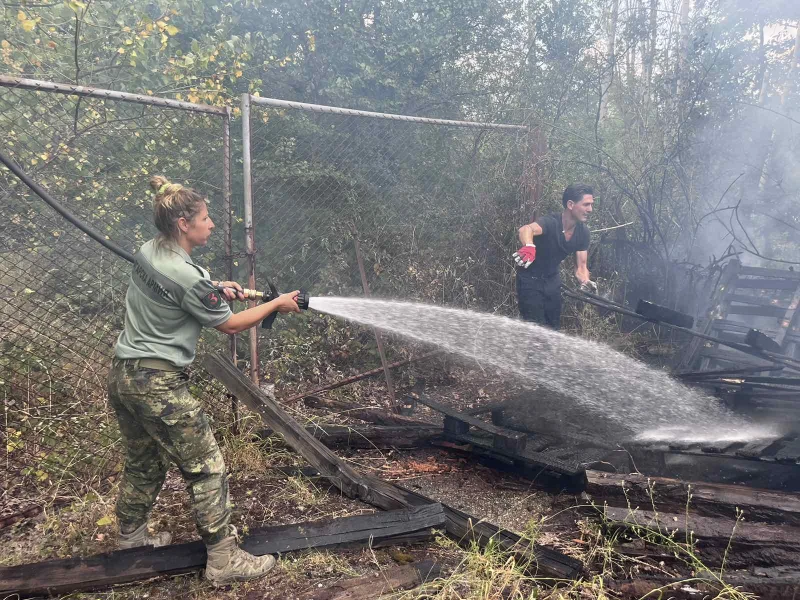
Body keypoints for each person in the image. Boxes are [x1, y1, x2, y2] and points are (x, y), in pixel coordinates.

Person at [108, 175, 300, 586]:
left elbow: (179, 287)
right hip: (158, 385)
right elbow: (229, 326)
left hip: (125, 377)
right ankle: (224, 560)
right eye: (206, 218)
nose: (211, 225)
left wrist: (215, 287)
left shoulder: (149, 250)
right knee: (207, 469)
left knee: (145, 460)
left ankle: (130, 540)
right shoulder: (186, 276)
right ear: (183, 223)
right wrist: (274, 304)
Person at [512, 183, 596, 329]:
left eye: (591, 205)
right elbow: (526, 230)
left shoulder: (583, 233)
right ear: (571, 204)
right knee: (536, 330)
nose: (590, 209)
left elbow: (581, 267)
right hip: (529, 281)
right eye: (586, 205)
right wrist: (529, 246)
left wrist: (585, 280)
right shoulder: (550, 223)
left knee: (553, 329)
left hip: (552, 281)